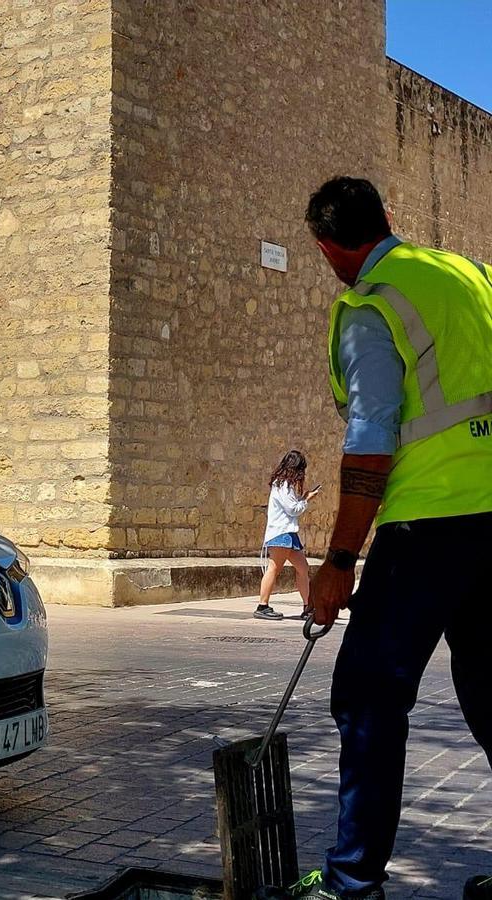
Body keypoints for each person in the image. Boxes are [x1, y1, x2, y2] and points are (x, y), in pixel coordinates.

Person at [273, 176, 492, 900]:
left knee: (369, 698)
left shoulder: (371, 306)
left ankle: (351, 883)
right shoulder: (468, 273)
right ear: (389, 219)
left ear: (327, 246)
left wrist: (338, 562)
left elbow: (370, 442)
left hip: (428, 522)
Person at [255, 449, 319, 621]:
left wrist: (303, 498)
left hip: (288, 533)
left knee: (303, 568)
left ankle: (308, 606)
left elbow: (291, 507)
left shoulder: (284, 485)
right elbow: (293, 510)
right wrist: (307, 499)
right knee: (274, 568)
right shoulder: (283, 485)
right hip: (281, 533)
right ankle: (262, 605)